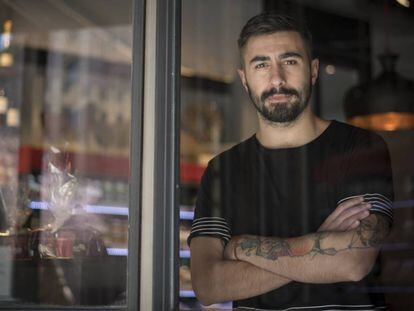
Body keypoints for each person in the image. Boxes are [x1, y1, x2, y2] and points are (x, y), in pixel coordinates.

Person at [188, 13, 394, 310]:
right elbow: (208, 286)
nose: (277, 79)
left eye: (290, 61)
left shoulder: (361, 148)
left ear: (313, 71)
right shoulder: (223, 170)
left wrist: (239, 248)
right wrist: (321, 243)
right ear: (244, 79)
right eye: (261, 64)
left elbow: (352, 262)